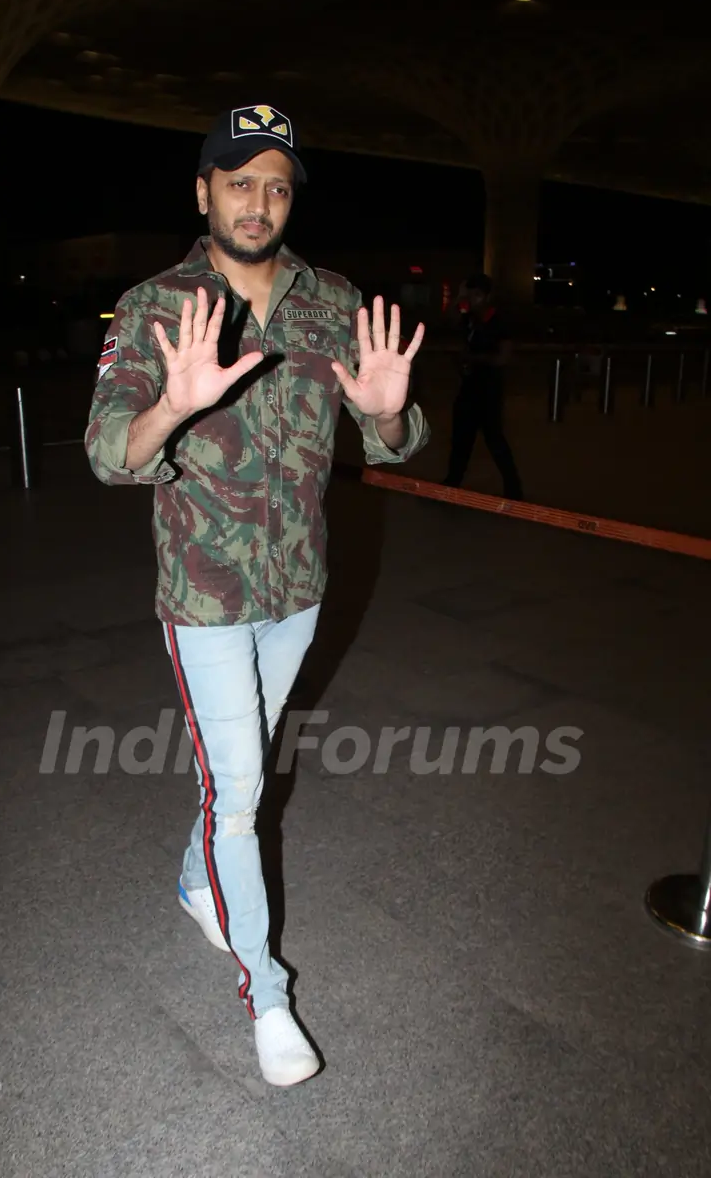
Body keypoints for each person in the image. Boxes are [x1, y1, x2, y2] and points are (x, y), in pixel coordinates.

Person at [84, 104, 430, 1087]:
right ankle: (266, 997)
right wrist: (173, 405)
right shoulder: (156, 304)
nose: (259, 201)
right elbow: (109, 455)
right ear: (203, 193)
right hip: (203, 594)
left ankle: (195, 879)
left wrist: (388, 413)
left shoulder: (331, 301)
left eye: (277, 184)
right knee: (240, 793)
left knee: (234, 772)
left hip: (301, 588)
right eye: (239, 182)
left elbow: (390, 438)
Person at [442, 273, 523, 500]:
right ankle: (452, 483)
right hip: (469, 387)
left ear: (487, 296)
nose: (473, 299)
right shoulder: (470, 318)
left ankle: (514, 490)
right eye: (470, 294)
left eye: (476, 294)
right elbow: (448, 320)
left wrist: (472, 358)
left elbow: (503, 359)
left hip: (489, 389)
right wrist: (458, 297)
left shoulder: (499, 321)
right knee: (460, 438)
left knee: (495, 440)